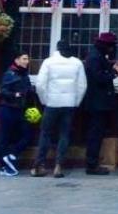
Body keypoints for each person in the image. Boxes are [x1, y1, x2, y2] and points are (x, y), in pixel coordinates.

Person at [31, 39, 87, 178]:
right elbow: (82, 86)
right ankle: (58, 166)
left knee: (45, 133)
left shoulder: (48, 62)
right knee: (64, 135)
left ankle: (39, 165)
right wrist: (76, 101)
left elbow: (40, 85)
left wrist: (44, 99)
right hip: (69, 104)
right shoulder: (77, 63)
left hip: (52, 103)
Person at [82, 31, 118, 175]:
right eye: (111, 46)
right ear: (106, 45)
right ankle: (92, 165)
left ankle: (93, 162)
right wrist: (113, 73)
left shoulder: (97, 55)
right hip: (97, 103)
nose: (112, 49)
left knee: (96, 133)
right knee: (95, 134)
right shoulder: (95, 57)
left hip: (98, 102)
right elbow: (99, 77)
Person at [0, 50, 37, 176]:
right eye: (24, 59)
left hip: (21, 110)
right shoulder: (9, 74)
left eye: (27, 59)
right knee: (5, 138)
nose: (27, 61)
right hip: (8, 109)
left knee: (27, 135)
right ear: (17, 60)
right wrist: (15, 94)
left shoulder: (24, 74)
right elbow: (3, 91)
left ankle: (11, 155)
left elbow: (27, 90)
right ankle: (4, 167)